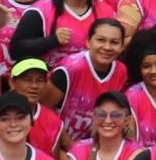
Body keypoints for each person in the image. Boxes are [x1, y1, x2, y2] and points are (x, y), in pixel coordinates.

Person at [49, 19, 130, 150]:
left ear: (121, 47)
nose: (107, 47)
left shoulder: (121, 71)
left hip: (95, 145)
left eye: (114, 42)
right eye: (101, 40)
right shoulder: (70, 69)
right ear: (88, 41)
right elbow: (45, 108)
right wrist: (70, 146)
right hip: (59, 143)